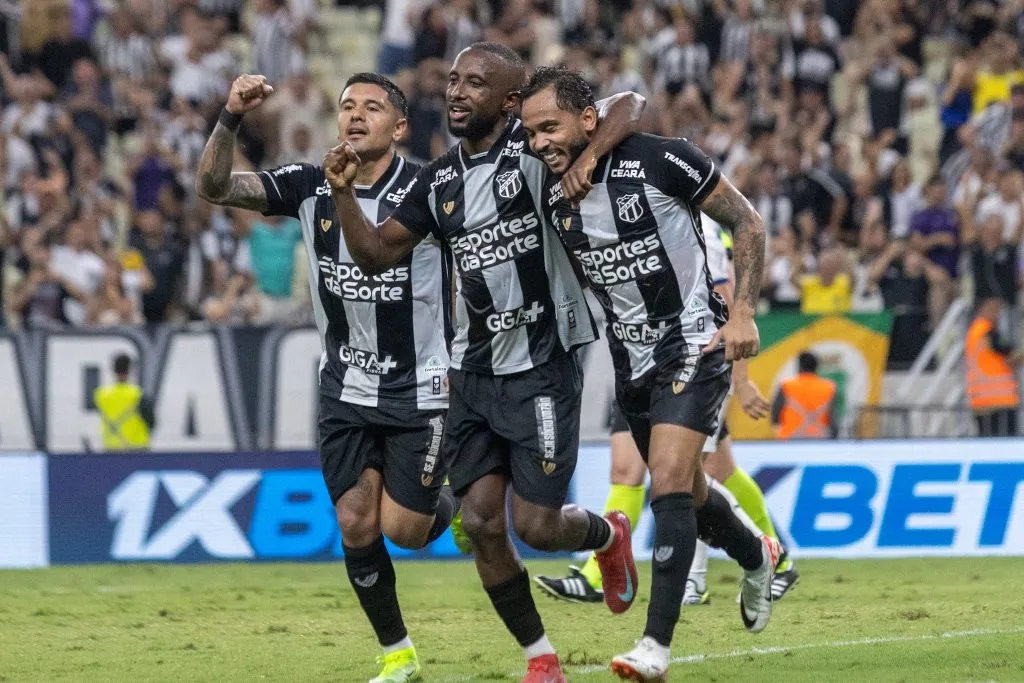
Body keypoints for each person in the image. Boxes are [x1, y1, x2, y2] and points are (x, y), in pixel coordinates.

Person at [323, 43, 646, 683]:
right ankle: (541, 659)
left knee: (538, 525)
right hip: (469, 374)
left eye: (475, 82)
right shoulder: (437, 181)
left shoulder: (536, 152)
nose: (458, 91)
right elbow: (376, 254)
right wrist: (340, 194)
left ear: (509, 101)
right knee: (480, 522)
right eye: (453, 80)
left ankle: (607, 537)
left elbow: (630, 104)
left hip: (543, 365)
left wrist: (590, 160)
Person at [195, 72, 458, 683]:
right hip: (343, 386)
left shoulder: (430, 188)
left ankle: (457, 504)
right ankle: (398, 654)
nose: (355, 115)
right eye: (346, 107)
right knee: (354, 521)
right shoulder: (308, 184)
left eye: (372, 107)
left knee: (407, 530)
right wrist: (230, 116)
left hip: (422, 384)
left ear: (400, 126)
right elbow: (213, 186)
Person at [520, 66, 779, 681]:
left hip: (694, 339)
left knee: (664, 481)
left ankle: (655, 649)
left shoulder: (662, 160)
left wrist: (741, 312)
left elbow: (747, 223)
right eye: (531, 134)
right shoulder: (548, 190)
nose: (539, 144)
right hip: (628, 361)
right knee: (687, 491)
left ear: (590, 119)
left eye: (550, 128)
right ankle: (756, 555)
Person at [535, 222, 799, 608]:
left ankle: (698, 577)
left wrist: (740, 381)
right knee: (665, 470)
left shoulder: (692, 220)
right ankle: (599, 573)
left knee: (691, 474)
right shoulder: (613, 209)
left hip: (690, 366)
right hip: (636, 366)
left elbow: (724, 297)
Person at [965, 298, 1021, 437]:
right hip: (999, 402)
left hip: (981, 403)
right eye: (994, 309)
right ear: (982, 309)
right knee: (1006, 446)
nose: (998, 314)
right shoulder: (988, 333)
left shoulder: (973, 333)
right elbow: (1011, 356)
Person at [94, 353, 155, 451]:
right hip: (137, 448)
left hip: (111, 448)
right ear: (130, 370)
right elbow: (151, 422)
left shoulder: (101, 395)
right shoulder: (137, 395)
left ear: (113, 370)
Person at [771, 351, 838, 439]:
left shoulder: (786, 386)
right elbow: (833, 420)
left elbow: (775, 416)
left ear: (799, 367)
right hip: (820, 441)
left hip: (789, 440)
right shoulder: (829, 387)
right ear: (816, 367)